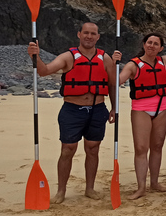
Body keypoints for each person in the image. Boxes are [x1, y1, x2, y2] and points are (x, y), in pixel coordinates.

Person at [26, 22, 117, 204]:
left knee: (93, 149)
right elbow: (44, 71)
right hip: (72, 110)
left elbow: (112, 83)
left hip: (98, 110)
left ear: (98, 37)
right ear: (79, 34)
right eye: (86, 33)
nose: (89, 36)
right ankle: (61, 191)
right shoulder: (68, 56)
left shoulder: (105, 58)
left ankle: (89, 188)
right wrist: (34, 56)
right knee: (67, 150)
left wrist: (114, 108)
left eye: (93, 34)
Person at [113, 33, 166, 200]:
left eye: (156, 44)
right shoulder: (133, 65)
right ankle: (141, 187)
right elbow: (116, 81)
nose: (152, 46)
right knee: (141, 148)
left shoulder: (163, 61)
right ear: (144, 44)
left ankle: (155, 183)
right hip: (141, 110)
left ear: (161, 48)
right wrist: (113, 63)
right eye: (149, 42)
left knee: (157, 146)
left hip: (162, 109)